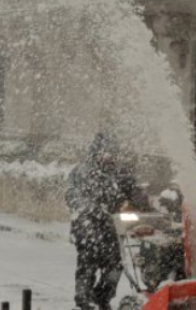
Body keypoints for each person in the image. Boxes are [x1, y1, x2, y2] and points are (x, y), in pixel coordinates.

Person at [67, 133, 145, 310]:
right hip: (88, 227)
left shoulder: (120, 173)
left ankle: (103, 296)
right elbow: (72, 196)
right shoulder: (81, 172)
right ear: (95, 153)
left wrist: (143, 204)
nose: (110, 156)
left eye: (112, 152)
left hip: (113, 229)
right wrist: (91, 208)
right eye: (106, 152)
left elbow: (135, 191)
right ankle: (83, 299)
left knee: (116, 265)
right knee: (88, 263)